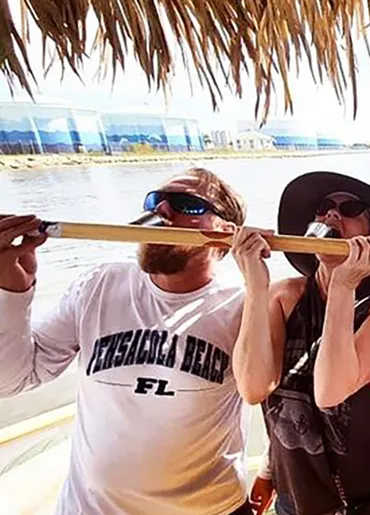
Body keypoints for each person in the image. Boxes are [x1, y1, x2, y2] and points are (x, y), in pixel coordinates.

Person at [0, 167, 254, 514]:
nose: (161, 210)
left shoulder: (243, 306)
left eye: (186, 204)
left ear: (225, 232)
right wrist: (12, 291)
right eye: (155, 200)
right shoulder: (99, 285)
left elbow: (273, 398)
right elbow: (12, 380)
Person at [231, 171, 370, 515]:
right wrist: (255, 286)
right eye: (323, 207)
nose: (331, 215)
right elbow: (255, 388)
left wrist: (343, 284)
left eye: (350, 209)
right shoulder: (283, 296)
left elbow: (330, 392)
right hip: (296, 497)